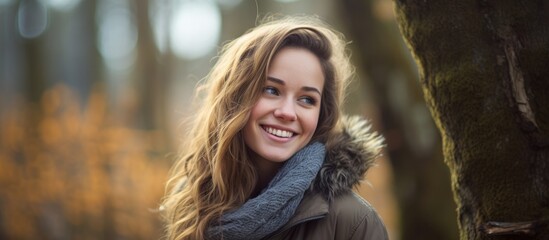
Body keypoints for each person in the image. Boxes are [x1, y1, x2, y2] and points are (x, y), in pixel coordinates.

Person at [161, 15, 388, 240]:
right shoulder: (192, 205)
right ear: (235, 97)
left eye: (307, 99)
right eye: (271, 90)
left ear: (321, 115)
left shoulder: (353, 224)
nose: (287, 112)